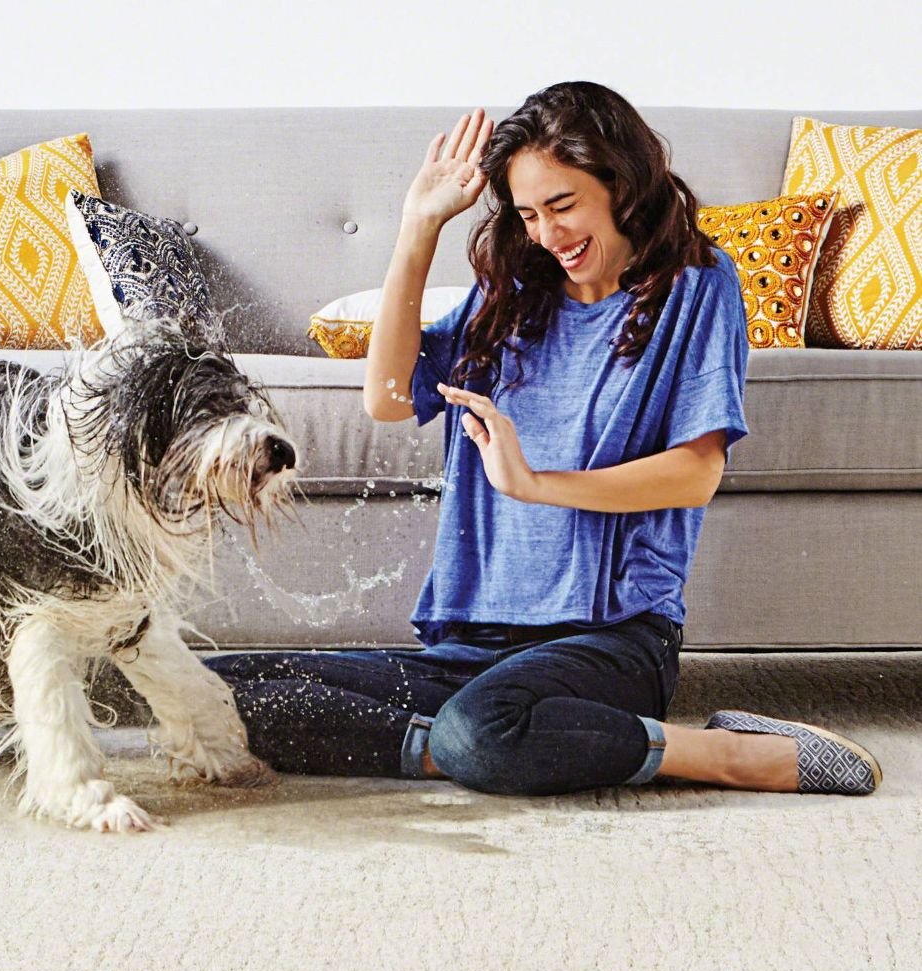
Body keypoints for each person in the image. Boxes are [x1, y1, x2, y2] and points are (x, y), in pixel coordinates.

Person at [205, 82, 881, 796]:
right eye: (529, 214)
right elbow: (388, 398)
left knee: (480, 726)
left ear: (621, 183)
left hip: (613, 641)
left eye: (563, 205)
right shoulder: (510, 298)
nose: (547, 234)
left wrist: (533, 485)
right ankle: (474, 747)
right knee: (211, 690)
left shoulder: (696, 284)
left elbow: (695, 472)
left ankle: (726, 753)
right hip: (473, 647)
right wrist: (418, 228)